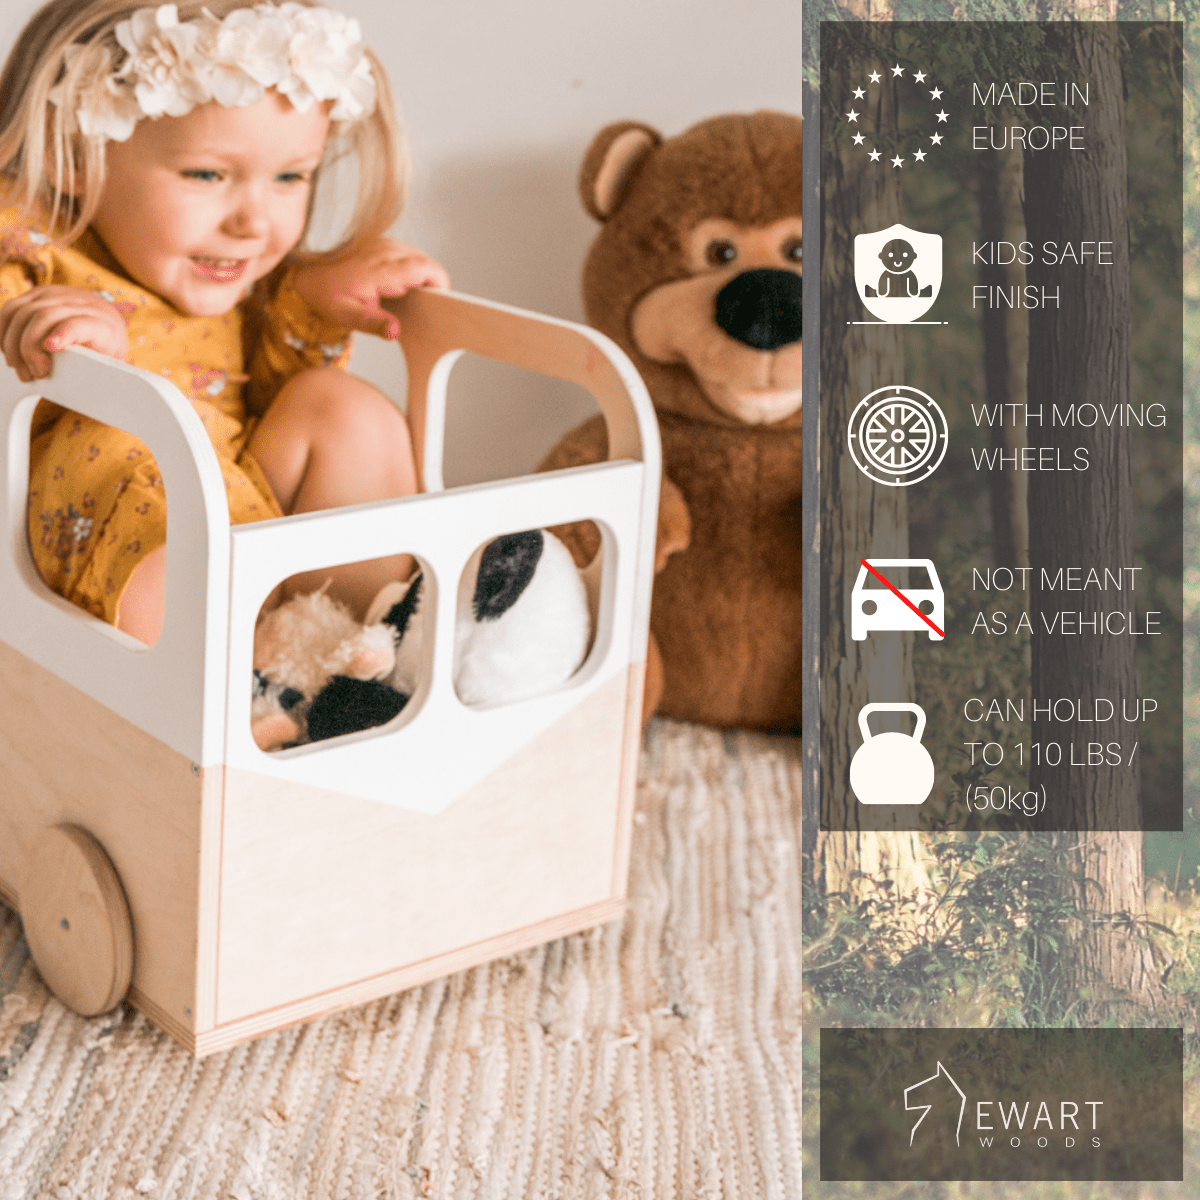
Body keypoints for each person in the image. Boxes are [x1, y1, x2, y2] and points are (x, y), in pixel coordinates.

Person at [0, 0, 449, 645]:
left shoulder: (235, 272)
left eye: (291, 176)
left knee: (343, 407)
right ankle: (218, 700)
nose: (254, 223)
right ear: (75, 157)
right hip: (102, 559)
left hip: (244, 533)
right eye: (208, 174)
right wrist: (65, 352)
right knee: (133, 446)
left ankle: (352, 652)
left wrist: (313, 312)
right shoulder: (30, 245)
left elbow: (263, 404)